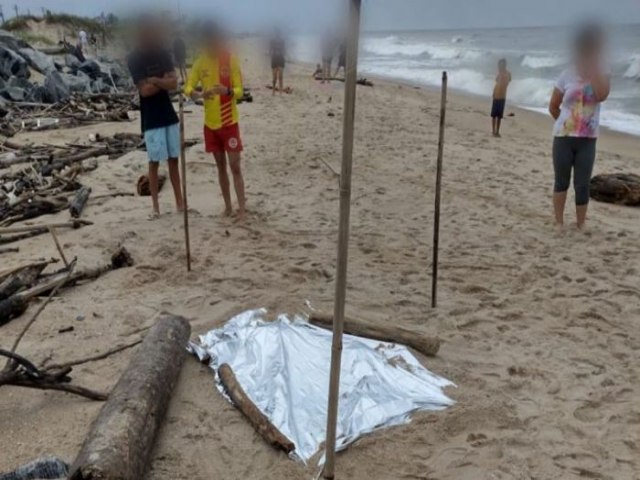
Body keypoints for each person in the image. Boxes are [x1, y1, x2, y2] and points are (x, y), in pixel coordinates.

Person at [548, 24, 610, 231]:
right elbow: (553, 106)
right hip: (564, 137)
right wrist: (566, 124)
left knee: (582, 184)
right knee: (561, 182)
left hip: (588, 139)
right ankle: (558, 222)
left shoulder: (602, 72)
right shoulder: (566, 74)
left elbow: (601, 95)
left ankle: (580, 223)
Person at [185, 22, 246, 220]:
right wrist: (198, 94)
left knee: (235, 166)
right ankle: (228, 206)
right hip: (210, 125)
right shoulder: (200, 62)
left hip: (229, 123)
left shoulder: (230, 59)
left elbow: (240, 92)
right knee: (220, 167)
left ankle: (242, 209)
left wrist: (226, 91)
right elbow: (188, 87)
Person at [127, 15, 184, 219]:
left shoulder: (163, 53)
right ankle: (156, 207)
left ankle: (180, 204)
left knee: (174, 160)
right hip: (151, 117)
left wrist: (155, 80)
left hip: (168, 113)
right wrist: (163, 81)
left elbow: (174, 83)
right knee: (153, 162)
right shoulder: (134, 57)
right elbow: (144, 91)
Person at [491, 59, 511, 137]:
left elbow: (509, 80)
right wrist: (493, 93)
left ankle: (497, 131)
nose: (499, 66)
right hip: (496, 95)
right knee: (493, 115)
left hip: (502, 97)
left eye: (501, 65)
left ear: (504, 65)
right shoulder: (499, 74)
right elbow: (496, 82)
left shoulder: (507, 73)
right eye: (499, 65)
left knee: (499, 116)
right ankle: (493, 131)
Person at [270, 28, 286, 95]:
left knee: (280, 76)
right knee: (275, 77)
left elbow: (284, 50)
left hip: (280, 59)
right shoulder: (272, 41)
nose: (277, 35)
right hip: (275, 59)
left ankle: (280, 91)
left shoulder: (282, 41)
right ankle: (274, 91)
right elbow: (270, 50)